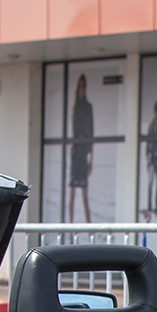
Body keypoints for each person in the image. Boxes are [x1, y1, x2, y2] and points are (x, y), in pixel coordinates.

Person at [68, 74, 94, 223]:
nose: (81, 89)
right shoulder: (75, 107)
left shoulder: (88, 107)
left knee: (85, 194)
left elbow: (91, 134)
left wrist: (91, 160)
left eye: (84, 86)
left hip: (84, 152)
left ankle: (89, 229)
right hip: (76, 151)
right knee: (72, 193)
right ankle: (70, 231)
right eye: (80, 86)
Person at [143, 101, 157, 220]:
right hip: (152, 159)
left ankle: (156, 206)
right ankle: (149, 206)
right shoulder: (151, 125)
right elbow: (148, 142)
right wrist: (147, 158)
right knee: (150, 183)